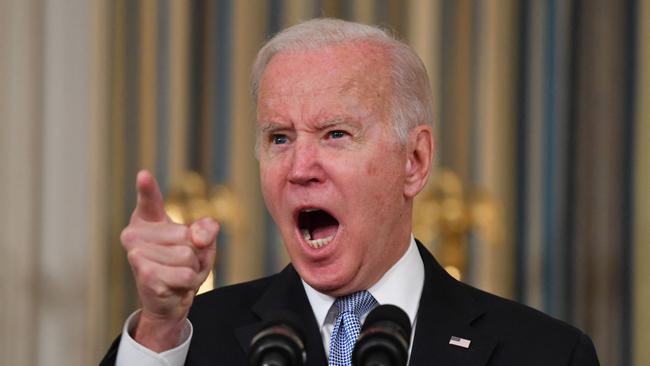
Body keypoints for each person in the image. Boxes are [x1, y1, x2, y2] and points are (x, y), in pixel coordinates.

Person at [100, 18, 599, 365]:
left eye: (335, 134)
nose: (300, 168)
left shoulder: (544, 354)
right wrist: (162, 326)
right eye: (279, 137)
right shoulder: (187, 342)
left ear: (414, 161)